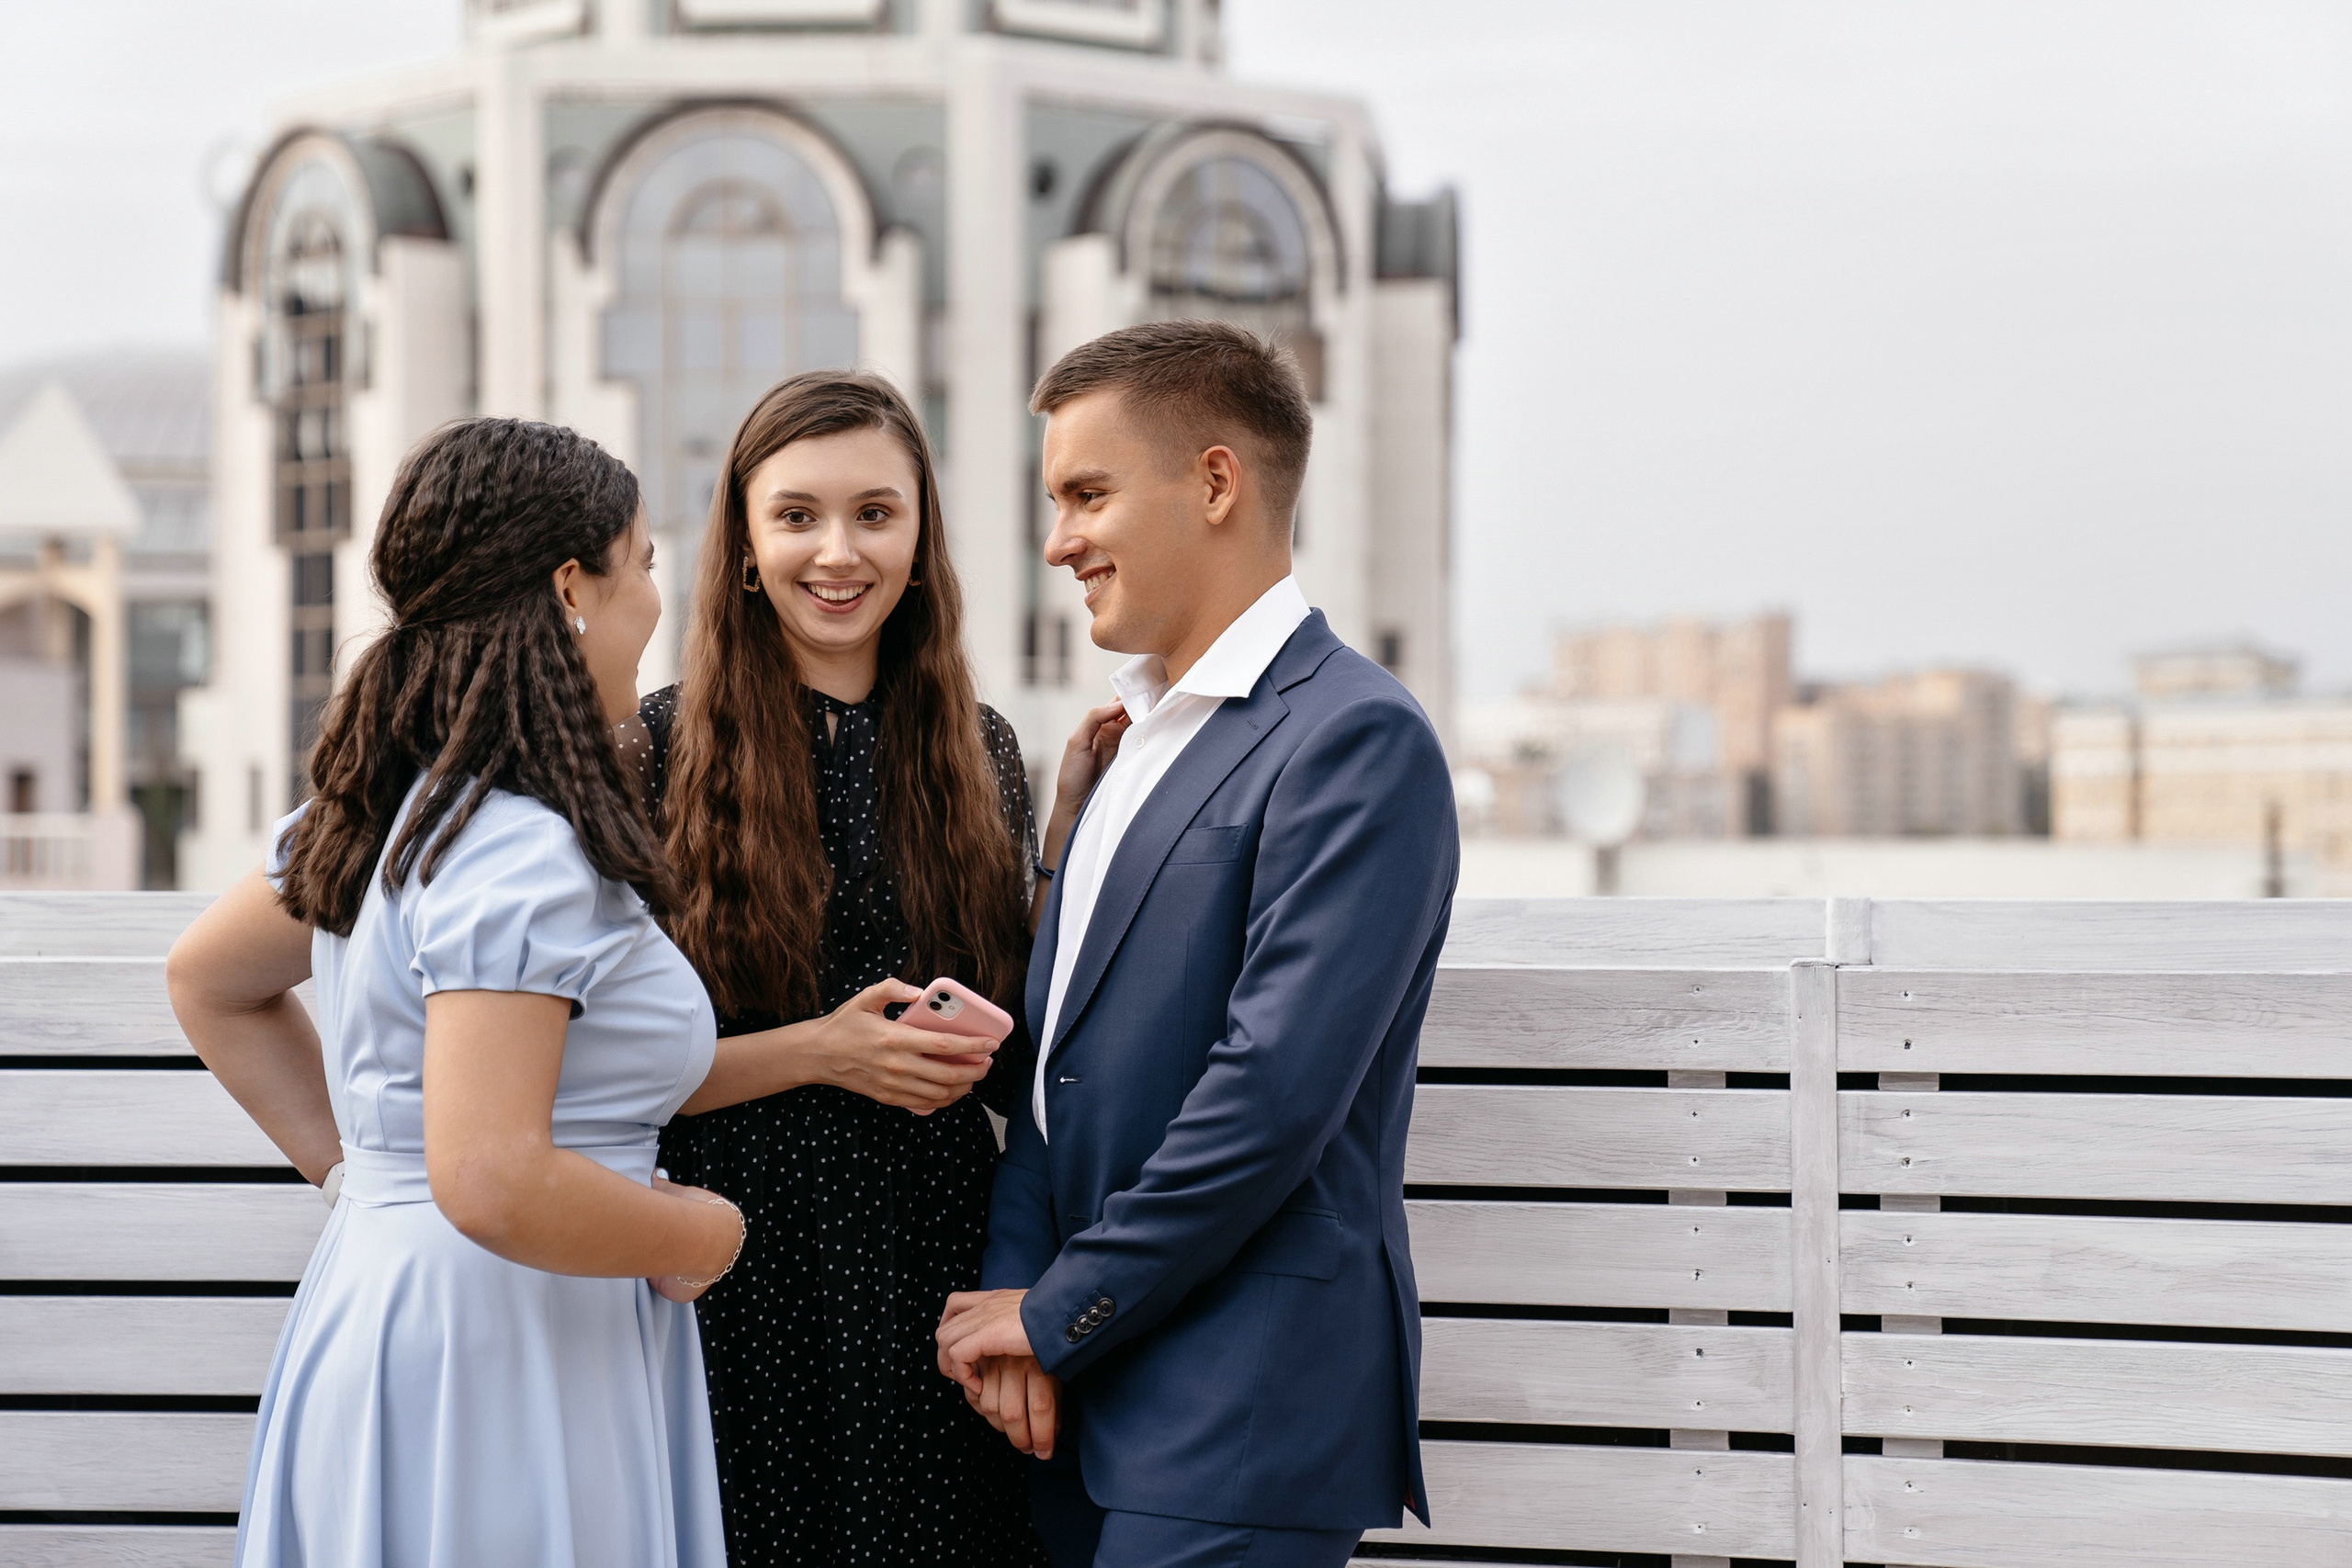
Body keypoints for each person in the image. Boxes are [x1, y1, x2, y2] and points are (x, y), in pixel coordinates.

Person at [164, 418, 739, 1568]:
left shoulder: (381, 813)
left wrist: (358, 1178)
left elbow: (208, 982)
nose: (653, 608)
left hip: (394, 1311)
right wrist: (702, 1226)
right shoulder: (521, 850)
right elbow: (490, 1178)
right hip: (511, 1348)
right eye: (646, 568)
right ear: (573, 588)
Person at [934, 319, 1461, 1568]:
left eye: (1086, 493)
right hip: (1068, 1400)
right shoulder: (1122, 745)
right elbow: (1053, 1071)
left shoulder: (1355, 739)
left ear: (1215, 481)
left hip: (1242, 1406)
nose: (1057, 539)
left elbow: (1270, 1093)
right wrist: (1021, 1317)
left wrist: (1054, 1308)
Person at [623, 370, 1050, 1566]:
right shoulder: (656, 747)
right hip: (734, 1260)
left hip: (938, 1261)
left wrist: (1061, 862)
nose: (838, 549)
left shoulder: (982, 747)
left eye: (876, 511)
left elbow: (1023, 1051)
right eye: (797, 514)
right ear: (746, 546)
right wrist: (826, 1048)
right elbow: (598, 1071)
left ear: (921, 536)